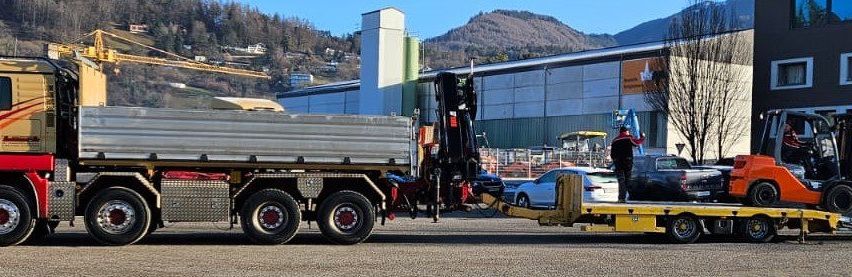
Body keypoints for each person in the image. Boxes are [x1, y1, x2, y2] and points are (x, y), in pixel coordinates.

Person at [610, 126, 645, 203]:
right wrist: (642, 137)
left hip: (618, 163)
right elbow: (637, 143)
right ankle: (627, 197)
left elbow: (612, 154)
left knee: (621, 180)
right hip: (627, 162)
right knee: (627, 179)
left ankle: (621, 198)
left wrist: (615, 160)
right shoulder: (628, 138)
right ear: (626, 132)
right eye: (628, 132)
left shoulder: (614, 140)